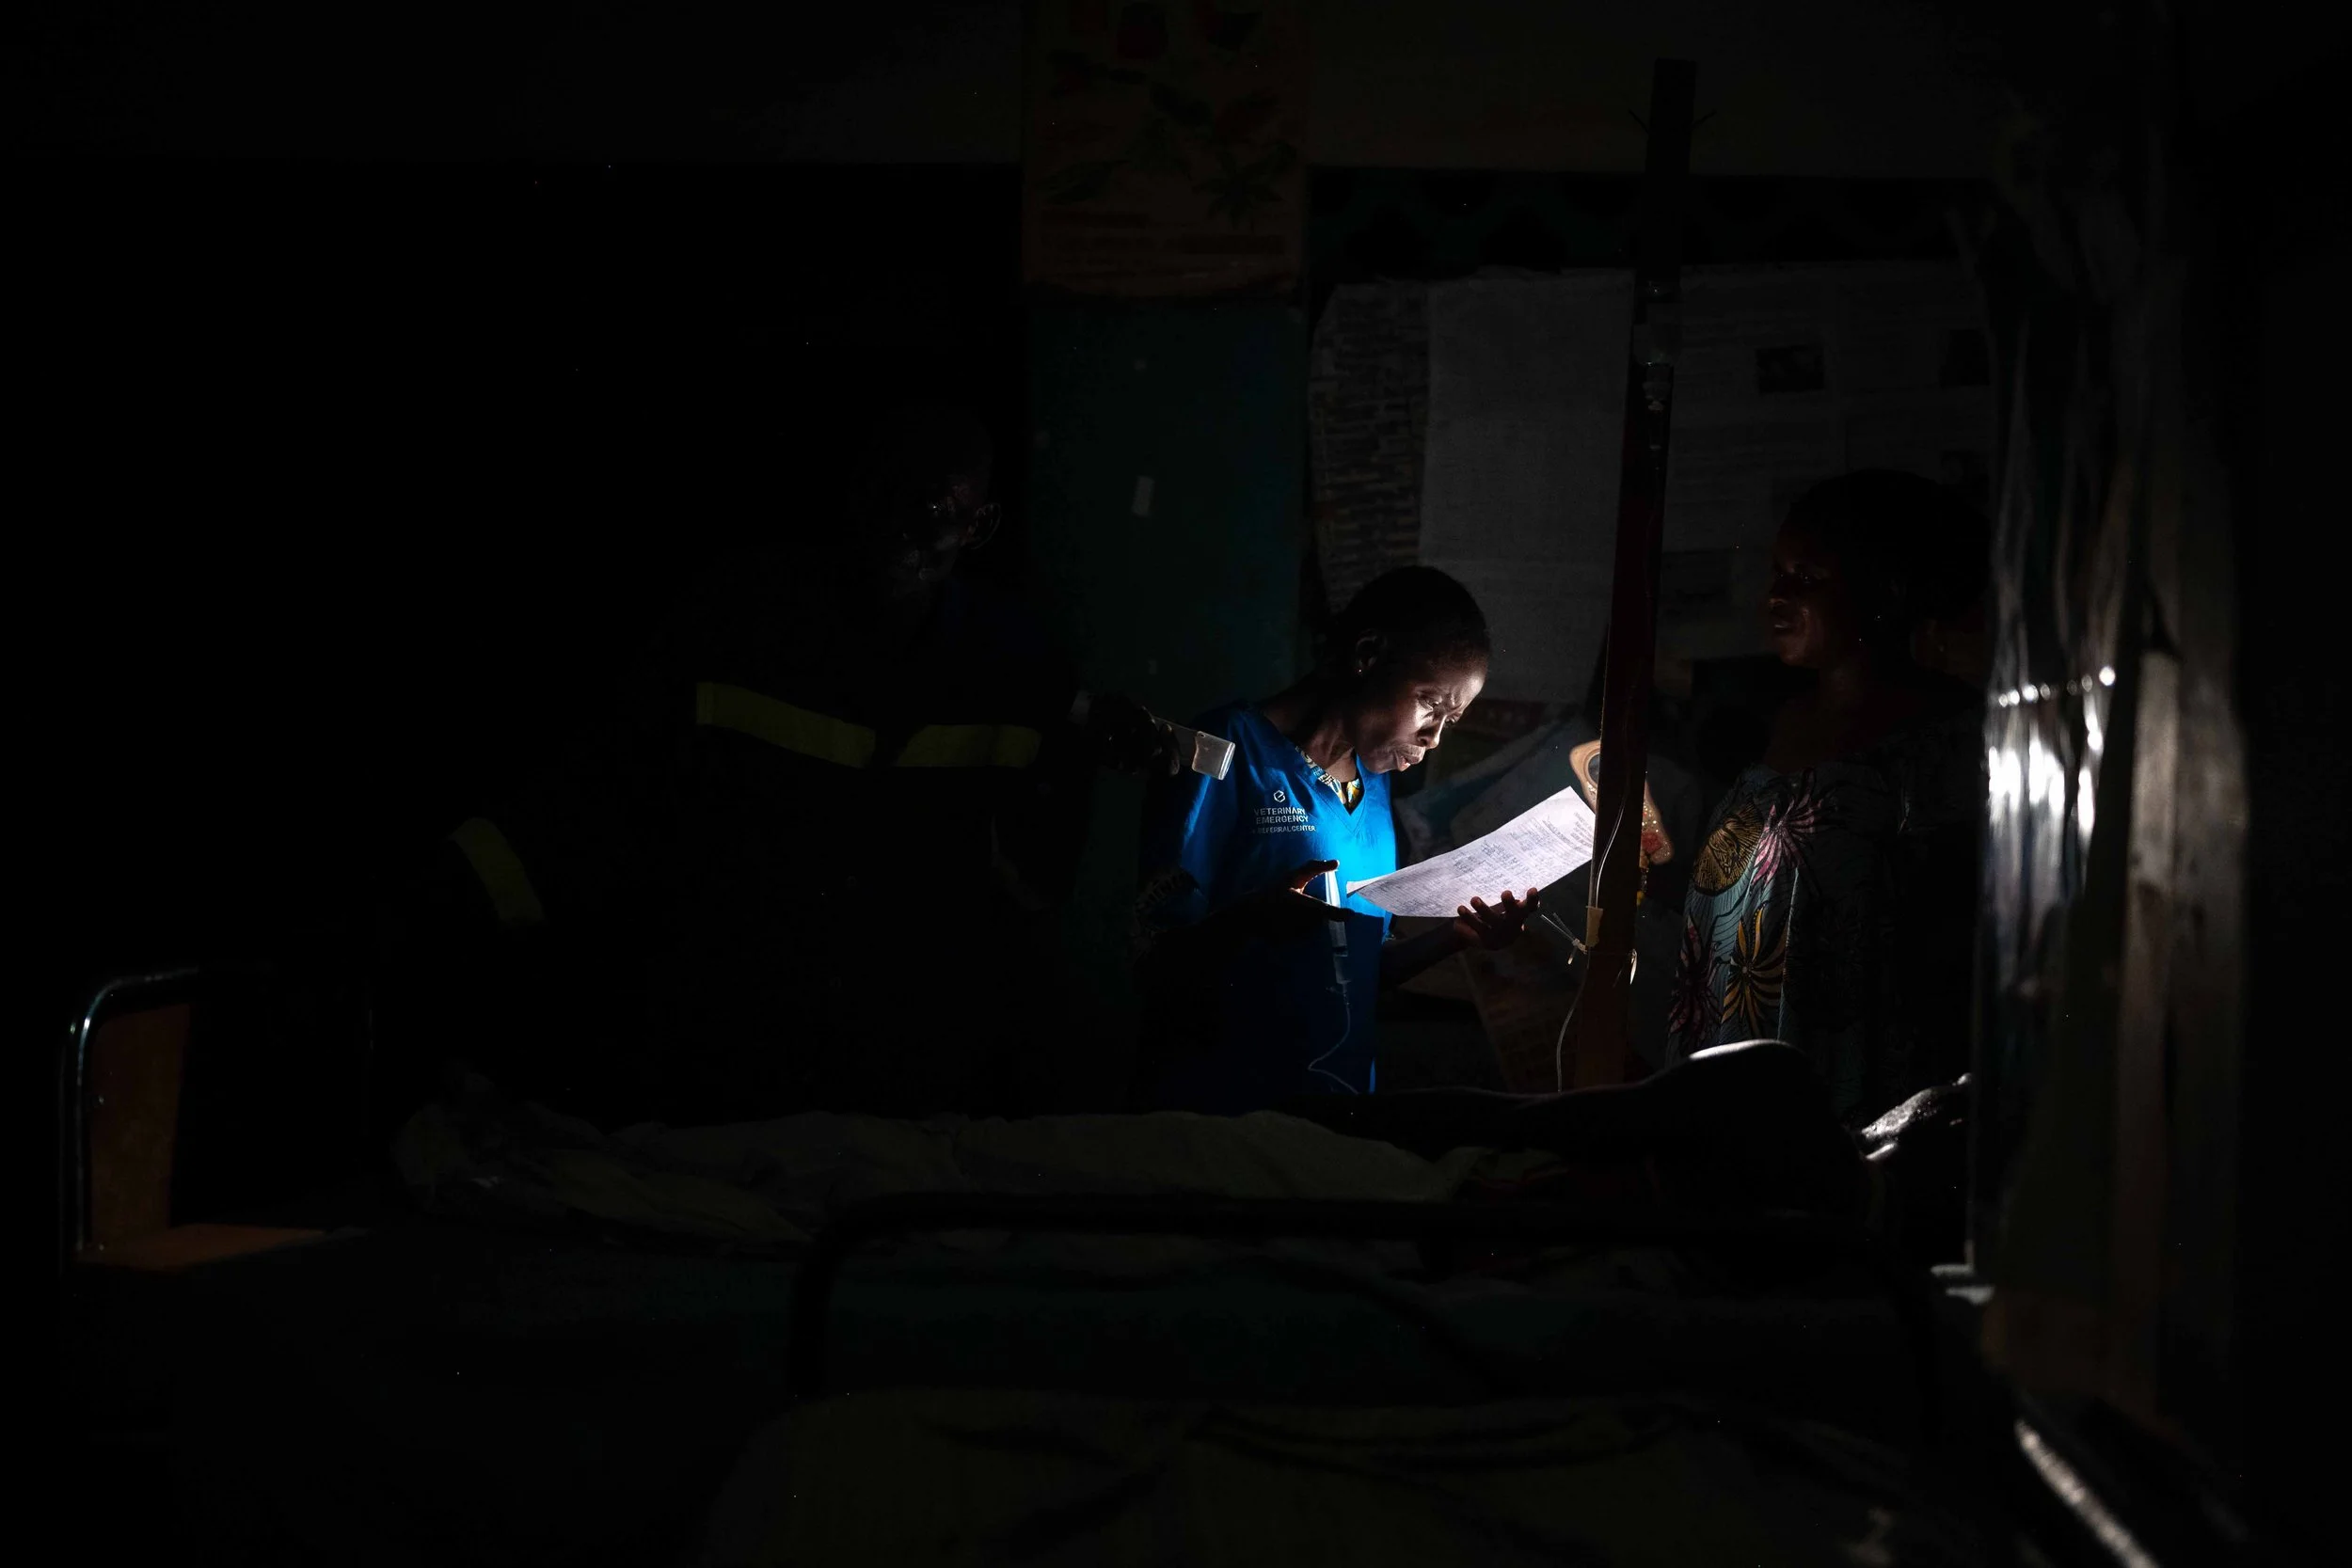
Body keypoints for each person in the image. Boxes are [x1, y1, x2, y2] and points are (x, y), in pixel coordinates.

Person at [375, 402, 1142, 1129]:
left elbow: (1036, 877)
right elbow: (600, 798)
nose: (909, 529)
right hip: (727, 1064)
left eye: (939, 511)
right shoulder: (739, 620)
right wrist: (440, 899)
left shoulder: (1011, 660)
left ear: (979, 524)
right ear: (853, 494)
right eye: (891, 495)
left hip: (909, 1079)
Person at [1133, 566, 1541, 1112]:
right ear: (1368, 654)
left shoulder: (1372, 793)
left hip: (1339, 1112)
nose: (1435, 737)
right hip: (1225, 1113)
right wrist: (1252, 921)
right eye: (1430, 704)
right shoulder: (1221, 752)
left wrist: (1458, 936)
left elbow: (1359, 969)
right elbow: (1153, 958)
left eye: (1453, 719)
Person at [1664, 470, 1988, 1132]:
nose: (1776, 596)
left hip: (1849, 1103)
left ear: (1886, 592)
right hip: (1733, 1085)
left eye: (1807, 576)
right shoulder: (1782, 722)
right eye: (1778, 572)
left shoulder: (1946, 742)